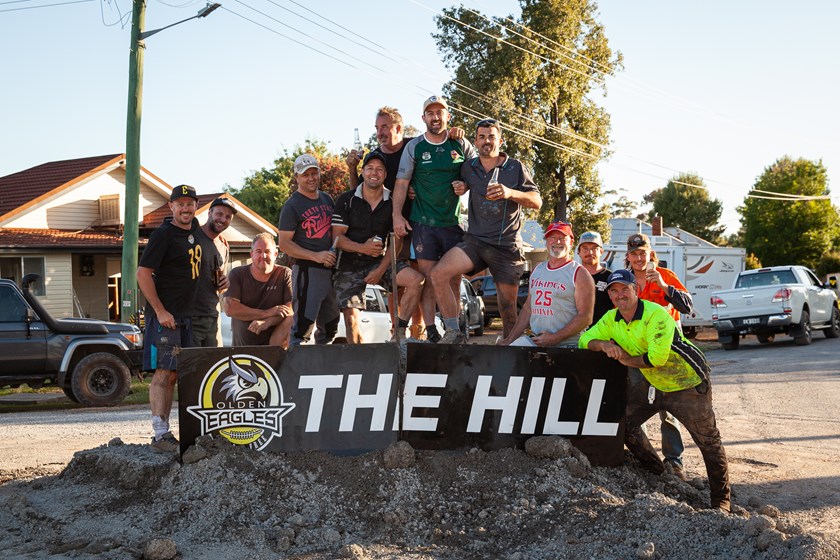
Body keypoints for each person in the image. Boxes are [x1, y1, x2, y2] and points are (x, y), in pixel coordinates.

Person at [579, 269, 731, 512]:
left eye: (624, 289)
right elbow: (584, 340)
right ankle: (660, 474)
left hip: (686, 383)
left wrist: (626, 360)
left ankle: (721, 502)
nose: (620, 295)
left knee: (708, 441)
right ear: (609, 295)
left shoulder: (655, 314)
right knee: (623, 425)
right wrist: (604, 344)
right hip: (655, 384)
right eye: (614, 291)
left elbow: (656, 359)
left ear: (636, 290)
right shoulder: (611, 318)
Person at [431, 118, 542, 343]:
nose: (486, 141)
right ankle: (454, 332)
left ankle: (510, 353)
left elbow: (536, 200)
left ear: (500, 140)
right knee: (438, 274)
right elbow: (455, 179)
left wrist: (510, 193)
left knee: (507, 309)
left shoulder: (515, 167)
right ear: (476, 141)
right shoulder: (469, 166)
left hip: (506, 246)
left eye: (491, 137)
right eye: (482, 137)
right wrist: (462, 186)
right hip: (475, 242)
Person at [392, 95, 476, 343]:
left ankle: (457, 328)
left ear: (448, 116)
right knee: (428, 278)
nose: (435, 117)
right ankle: (431, 330)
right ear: (423, 118)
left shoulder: (460, 143)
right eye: (430, 113)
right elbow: (401, 183)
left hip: (452, 223)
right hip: (423, 223)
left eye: (440, 112)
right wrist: (397, 215)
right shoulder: (415, 146)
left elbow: (478, 174)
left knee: (453, 278)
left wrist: (466, 184)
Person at [136, 184, 206, 453]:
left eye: (190, 203)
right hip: (166, 317)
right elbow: (143, 274)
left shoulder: (196, 231)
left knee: (177, 374)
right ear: (171, 206)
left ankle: (170, 432)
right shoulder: (163, 235)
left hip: (188, 315)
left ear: (196, 205)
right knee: (164, 373)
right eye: (180, 204)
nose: (186, 208)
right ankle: (159, 434)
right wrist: (161, 311)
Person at [332, 152, 425, 342]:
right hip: (349, 265)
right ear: (363, 172)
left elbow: (397, 240)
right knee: (351, 322)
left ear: (385, 174)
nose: (374, 173)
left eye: (380, 169)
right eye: (370, 168)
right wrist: (362, 248)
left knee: (417, 280)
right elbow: (337, 239)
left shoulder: (393, 201)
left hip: (380, 261)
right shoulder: (346, 200)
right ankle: (361, 365)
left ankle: (398, 332)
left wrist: (381, 269)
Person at [626, 232, 693, 478]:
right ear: (628, 256)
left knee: (669, 409)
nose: (638, 257)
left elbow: (687, 306)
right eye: (634, 253)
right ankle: (644, 459)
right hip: (637, 353)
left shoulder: (666, 276)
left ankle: (674, 462)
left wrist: (664, 288)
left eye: (642, 252)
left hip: (667, 353)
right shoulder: (626, 281)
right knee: (635, 406)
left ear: (650, 254)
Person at [498, 221, 594, 348]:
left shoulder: (579, 273)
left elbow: (586, 317)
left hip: (568, 345)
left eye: (562, 238)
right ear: (547, 242)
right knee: (510, 358)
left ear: (571, 242)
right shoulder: (538, 269)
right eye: (552, 238)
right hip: (537, 340)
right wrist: (509, 340)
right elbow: (528, 308)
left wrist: (555, 337)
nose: (557, 242)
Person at [277, 154, 340, 345]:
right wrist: (316, 256)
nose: (311, 178)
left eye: (314, 173)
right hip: (307, 271)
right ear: (297, 177)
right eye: (305, 175)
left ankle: (324, 370)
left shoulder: (327, 199)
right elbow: (284, 244)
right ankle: (299, 371)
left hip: (331, 270)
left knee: (330, 328)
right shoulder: (292, 206)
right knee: (303, 329)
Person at [223, 233, 293, 347]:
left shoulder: (285, 273)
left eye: (267, 252)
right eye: (259, 251)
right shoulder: (238, 274)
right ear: (251, 254)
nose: (263, 256)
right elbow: (230, 308)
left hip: (274, 346)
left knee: (294, 319)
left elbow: (291, 309)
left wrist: (268, 321)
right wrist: (268, 312)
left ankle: (290, 361)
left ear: (276, 254)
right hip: (243, 350)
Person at [191, 197, 236, 347]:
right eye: (219, 214)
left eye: (228, 217)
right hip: (189, 317)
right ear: (210, 213)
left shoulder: (224, 245)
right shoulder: (191, 236)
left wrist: (225, 283)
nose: (223, 219)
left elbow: (220, 283)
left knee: (213, 366)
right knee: (190, 366)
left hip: (212, 315)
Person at [576, 231, 613, 325]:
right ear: (578, 252)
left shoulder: (610, 278)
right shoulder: (572, 275)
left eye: (594, 248)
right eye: (585, 248)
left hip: (602, 335)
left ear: (601, 251)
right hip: (573, 334)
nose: (590, 252)